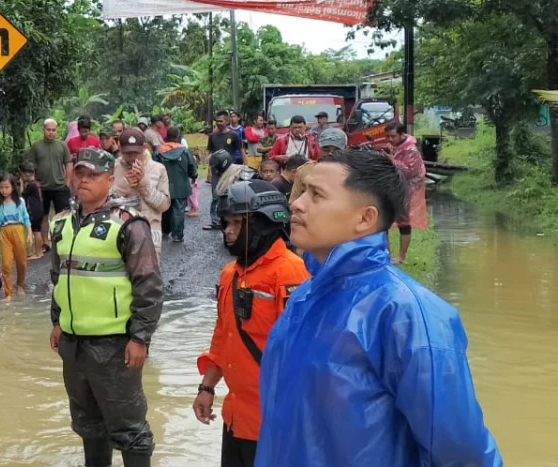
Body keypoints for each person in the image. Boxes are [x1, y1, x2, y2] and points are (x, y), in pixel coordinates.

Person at [255, 150, 502, 467]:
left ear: (365, 218)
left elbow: (462, 453)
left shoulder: (408, 315)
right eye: (302, 191)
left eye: (316, 195)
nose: (296, 203)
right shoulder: (304, 298)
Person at [50, 147, 164, 467]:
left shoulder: (128, 225)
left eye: (93, 175)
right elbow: (57, 278)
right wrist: (57, 322)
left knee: (129, 428)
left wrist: (140, 338)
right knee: (88, 425)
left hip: (115, 345)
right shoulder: (62, 225)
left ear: (110, 180)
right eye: (80, 174)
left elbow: (150, 286)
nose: (84, 180)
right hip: (74, 345)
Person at [194, 181, 309, 467]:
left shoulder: (291, 272)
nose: (228, 231)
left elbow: (305, 354)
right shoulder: (230, 274)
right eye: (226, 223)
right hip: (235, 417)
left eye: (237, 223)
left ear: (265, 224)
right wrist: (207, 387)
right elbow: (224, 334)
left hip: (275, 424)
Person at [112, 128, 171, 245]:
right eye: (128, 153)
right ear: (120, 149)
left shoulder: (158, 169)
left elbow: (164, 206)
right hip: (118, 230)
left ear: (144, 148)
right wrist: (124, 186)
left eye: (136, 152)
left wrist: (144, 185)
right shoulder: (112, 168)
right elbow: (102, 204)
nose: (133, 156)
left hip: (150, 231)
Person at [25, 118, 74, 245]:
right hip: (42, 188)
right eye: (48, 130)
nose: (51, 132)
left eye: (53, 130)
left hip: (60, 187)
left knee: (63, 215)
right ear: (44, 130)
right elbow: (30, 167)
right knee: (43, 216)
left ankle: (62, 241)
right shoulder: (36, 147)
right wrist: (33, 184)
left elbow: (69, 164)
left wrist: (68, 184)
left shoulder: (62, 145)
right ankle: (46, 243)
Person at [385, 122, 427, 265]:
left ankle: (402, 256)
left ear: (402, 134)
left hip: (407, 187)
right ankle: (387, 255)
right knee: (384, 220)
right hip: (394, 185)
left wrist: (392, 161)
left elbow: (409, 172)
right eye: (388, 137)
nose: (390, 140)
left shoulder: (411, 150)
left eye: (393, 136)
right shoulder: (395, 146)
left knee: (403, 221)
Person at [155, 127, 197, 244]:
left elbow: (154, 169)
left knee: (165, 209)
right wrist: (193, 176)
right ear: (178, 137)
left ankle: (165, 230)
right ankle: (177, 235)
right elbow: (192, 168)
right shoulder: (184, 151)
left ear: (166, 137)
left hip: (164, 186)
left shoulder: (159, 152)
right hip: (181, 186)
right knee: (179, 210)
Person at [0, 175, 31, 297]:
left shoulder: (20, 202)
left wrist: (29, 233)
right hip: (4, 233)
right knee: (7, 264)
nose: (4, 190)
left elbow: (25, 217)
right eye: (1, 187)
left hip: (18, 230)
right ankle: (8, 293)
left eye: (7, 187)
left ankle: (20, 284)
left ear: (13, 187)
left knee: (22, 262)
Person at [288, 127, 348, 203]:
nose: (330, 154)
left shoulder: (352, 172)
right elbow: (293, 203)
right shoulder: (304, 170)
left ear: (346, 149)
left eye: (337, 150)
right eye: (326, 150)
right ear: (319, 148)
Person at [20, 163, 46, 259]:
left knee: (36, 231)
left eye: (22, 175)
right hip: (39, 209)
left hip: (34, 211)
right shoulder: (37, 183)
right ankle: (38, 251)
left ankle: (39, 252)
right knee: (37, 230)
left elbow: (22, 194)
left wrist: (22, 184)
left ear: (27, 174)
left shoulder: (31, 185)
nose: (21, 177)